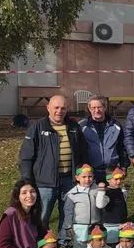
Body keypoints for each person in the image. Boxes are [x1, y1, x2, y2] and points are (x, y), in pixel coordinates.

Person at [19, 94, 87, 236]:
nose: (59, 111)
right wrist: (27, 180)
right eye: (56, 107)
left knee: (67, 216)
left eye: (63, 108)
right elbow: (26, 156)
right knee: (42, 216)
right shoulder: (38, 127)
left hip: (69, 181)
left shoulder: (74, 127)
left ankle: (63, 245)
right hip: (44, 182)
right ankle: (41, 245)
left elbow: (83, 152)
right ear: (48, 108)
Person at [78, 95, 128, 184]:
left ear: (105, 107)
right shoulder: (82, 126)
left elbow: (122, 148)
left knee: (113, 197)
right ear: (89, 108)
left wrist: (123, 167)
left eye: (99, 107)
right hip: (91, 172)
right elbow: (78, 149)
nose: (96, 110)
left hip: (112, 171)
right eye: (93, 107)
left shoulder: (116, 125)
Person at [62, 164, 105, 248]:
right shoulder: (72, 194)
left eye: (90, 176)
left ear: (93, 176)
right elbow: (68, 212)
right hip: (80, 227)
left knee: (95, 247)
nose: (87, 179)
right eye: (84, 177)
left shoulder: (97, 189)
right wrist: (68, 226)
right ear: (77, 177)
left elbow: (101, 205)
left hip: (95, 225)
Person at [98, 167, 128, 244]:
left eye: (121, 179)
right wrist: (101, 191)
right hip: (110, 225)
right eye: (116, 179)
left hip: (121, 224)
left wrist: (125, 190)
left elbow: (123, 202)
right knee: (110, 246)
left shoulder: (119, 190)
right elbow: (100, 205)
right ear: (108, 179)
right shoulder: (107, 192)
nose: (119, 181)